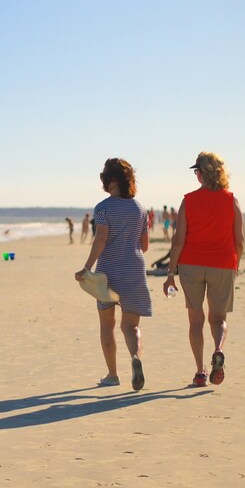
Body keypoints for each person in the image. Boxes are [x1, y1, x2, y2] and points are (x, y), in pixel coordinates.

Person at [163, 152, 244, 387]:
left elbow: (178, 240)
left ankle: (200, 372)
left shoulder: (188, 200)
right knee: (218, 319)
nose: (196, 175)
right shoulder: (231, 200)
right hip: (222, 264)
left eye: (197, 171)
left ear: (201, 174)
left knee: (195, 320)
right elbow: (239, 240)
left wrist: (170, 274)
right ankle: (218, 349)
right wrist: (235, 264)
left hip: (191, 265)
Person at [75, 158, 151, 391]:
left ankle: (112, 375)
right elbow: (145, 245)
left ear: (113, 181)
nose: (103, 185)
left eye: (105, 180)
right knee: (131, 327)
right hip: (135, 270)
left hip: (109, 272)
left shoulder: (103, 208)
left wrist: (87, 267)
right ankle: (135, 357)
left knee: (107, 325)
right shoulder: (140, 209)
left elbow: (101, 238)